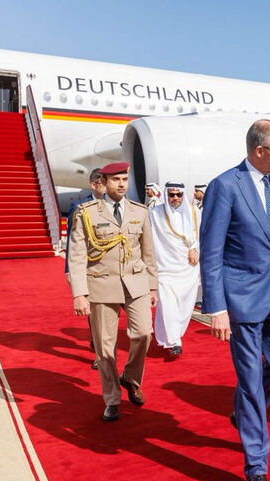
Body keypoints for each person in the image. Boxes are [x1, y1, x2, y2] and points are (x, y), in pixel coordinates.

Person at [200, 119, 270, 481]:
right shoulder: (225, 186)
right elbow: (211, 252)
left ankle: (243, 412)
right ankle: (256, 461)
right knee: (250, 376)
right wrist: (216, 308)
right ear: (260, 151)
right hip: (241, 299)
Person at [67, 162, 158, 422]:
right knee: (106, 348)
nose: (121, 184)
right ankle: (112, 399)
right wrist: (79, 293)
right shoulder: (86, 213)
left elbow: (148, 253)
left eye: (125, 179)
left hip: (136, 283)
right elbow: (76, 256)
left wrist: (152, 286)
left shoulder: (139, 212)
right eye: (116, 179)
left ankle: (130, 377)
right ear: (104, 182)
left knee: (143, 333)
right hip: (101, 284)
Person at [149, 182, 201, 359]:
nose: (175, 198)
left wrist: (195, 248)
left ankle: (174, 335)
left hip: (188, 268)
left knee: (184, 307)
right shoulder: (156, 214)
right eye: (171, 195)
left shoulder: (194, 211)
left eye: (179, 195)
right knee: (168, 304)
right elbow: (150, 239)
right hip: (165, 267)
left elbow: (201, 234)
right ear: (166, 195)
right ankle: (175, 342)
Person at [65, 167, 106, 369]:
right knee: (96, 315)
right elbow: (71, 243)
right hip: (90, 269)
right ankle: (101, 354)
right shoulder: (79, 207)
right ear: (94, 185)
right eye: (104, 183)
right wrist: (69, 270)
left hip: (113, 271)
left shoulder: (116, 206)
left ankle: (101, 344)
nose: (109, 187)